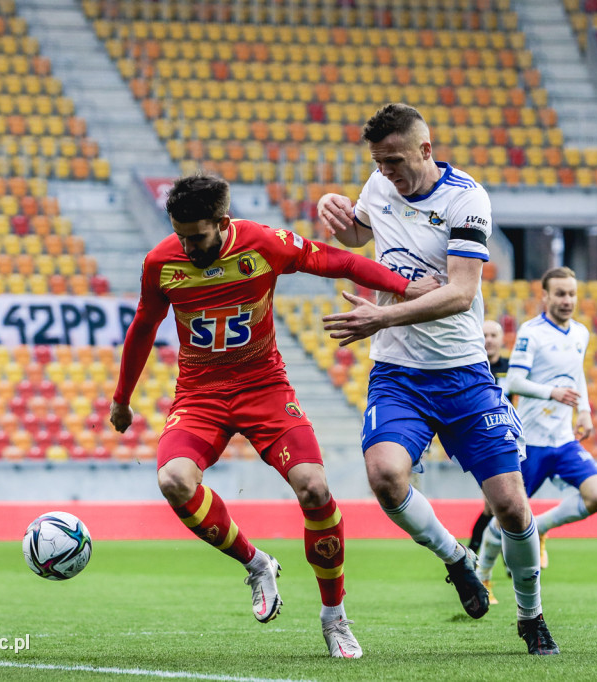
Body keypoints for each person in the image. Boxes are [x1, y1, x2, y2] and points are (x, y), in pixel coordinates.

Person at [109, 173, 437, 659]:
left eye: (196, 236)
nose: (187, 244)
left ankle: (335, 618)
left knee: (316, 489)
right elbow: (142, 325)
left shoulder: (262, 244)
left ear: (222, 223)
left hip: (264, 389)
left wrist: (405, 287)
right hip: (200, 396)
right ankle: (256, 562)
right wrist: (121, 398)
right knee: (174, 480)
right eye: (179, 234)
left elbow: (338, 259)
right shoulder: (161, 263)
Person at [317, 103, 558, 656]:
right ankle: (458, 558)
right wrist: (339, 216)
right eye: (378, 163)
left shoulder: (466, 199)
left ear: (425, 150)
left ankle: (531, 615)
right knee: (385, 475)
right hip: (398, 373)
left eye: (395, 161)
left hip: (464, 374)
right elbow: (360, 234)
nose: (386, 174)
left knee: (512, 507)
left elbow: (461, 293)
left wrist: (382, 313)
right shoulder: (379, 185)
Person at [475, 266, 597, 600]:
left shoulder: (580, 333)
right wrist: (553, 392)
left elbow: (577, 376)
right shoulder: (531, 332)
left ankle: (542, 528)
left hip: (562, 439)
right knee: (505, 515)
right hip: (530, 442)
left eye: (572, 294)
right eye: (560, 294)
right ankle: (483, 574)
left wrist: (586, 412)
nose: (567, 300)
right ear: (546, 296)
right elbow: (515, 382)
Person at [467, 320, 508, 557]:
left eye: (494, 334)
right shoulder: (472, 366)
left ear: (501, 340)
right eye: (485, 335)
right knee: (493, 505)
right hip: (482, 442)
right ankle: (479, 554)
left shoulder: (513, 368)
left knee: (497, 506)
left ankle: (475, 553)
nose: (489, 339)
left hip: (511, 442)